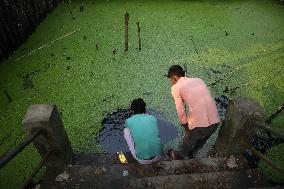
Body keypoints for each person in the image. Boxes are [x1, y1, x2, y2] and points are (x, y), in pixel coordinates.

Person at [166, 65, 220, 159]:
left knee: (188, 140)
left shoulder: (176, 88)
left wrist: (185, 126)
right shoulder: (198, 80)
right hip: (215, 121)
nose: (172, 83)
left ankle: (179, 155)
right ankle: (193, 153)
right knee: (202, 139)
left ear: (174, 78)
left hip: (200, 125)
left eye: (171, 80)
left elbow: (180, 110)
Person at [123, 98, 162, 164]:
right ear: (145, 108)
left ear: (132, 110)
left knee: (126, 130)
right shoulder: (153, 118)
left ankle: (138, 151)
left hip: (142, 160)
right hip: (158, 156)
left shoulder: (128, 120)